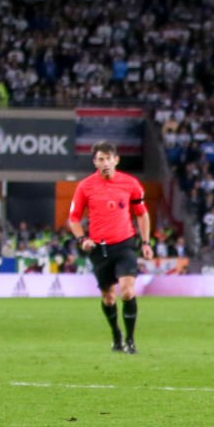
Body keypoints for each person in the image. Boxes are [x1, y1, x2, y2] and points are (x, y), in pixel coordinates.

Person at [68, 141, 154, 354]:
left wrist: (145, 242)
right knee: (108, 297)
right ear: (94, 162)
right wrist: (82, 240)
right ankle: (116, 334)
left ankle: (131, 340)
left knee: (127, 291)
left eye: (108, 158)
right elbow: (73, 218)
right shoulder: (85, 187)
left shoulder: (131, 184)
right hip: (100, 249)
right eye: (100, 159)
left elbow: (142, 214)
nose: (105, 163)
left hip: (125, 245)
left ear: (116, 159)